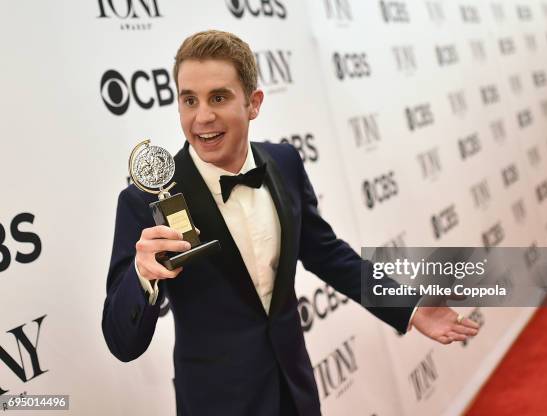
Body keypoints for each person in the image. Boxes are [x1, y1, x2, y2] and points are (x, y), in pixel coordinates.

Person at [102, 30, 479, 416]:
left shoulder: (284, 162)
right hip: (216, 403)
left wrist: (410, 306)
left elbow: (328, 255)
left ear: (254, 102)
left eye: (219, 97)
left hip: (295, 392)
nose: (202, 117)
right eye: (189, 100)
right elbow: (121, 341)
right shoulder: (144, 201)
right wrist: (142, 276)